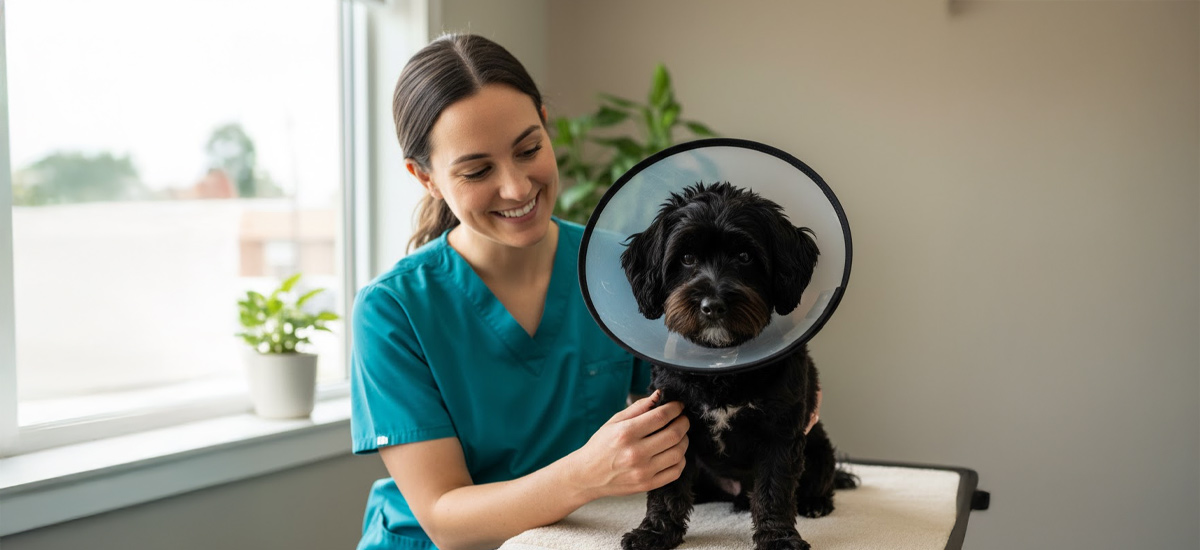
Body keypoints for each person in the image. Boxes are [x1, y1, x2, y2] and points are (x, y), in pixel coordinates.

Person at [349, 34, 690, 550]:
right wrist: (586, 475)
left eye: (529, 149)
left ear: (547, 127)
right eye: (477, 170)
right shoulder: (392, 309)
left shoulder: (619, 267)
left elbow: (685, 392)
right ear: (426, 178)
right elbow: (444, 518)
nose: (517, 187)